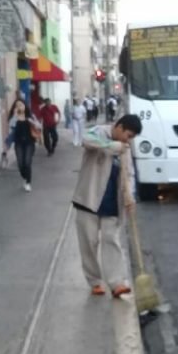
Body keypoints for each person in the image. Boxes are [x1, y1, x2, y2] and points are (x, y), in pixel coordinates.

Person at [71, 115, 142, 297]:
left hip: (112, 202)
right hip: (89, 198)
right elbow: (86, 139)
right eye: (128, 134)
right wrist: (110, 146)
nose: (128, 140)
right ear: (119, 127)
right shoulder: (99, 132)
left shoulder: (125, 149)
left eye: (132, 137)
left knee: (112, 241)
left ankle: (117, 282)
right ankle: (94, 281)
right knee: (89, 243)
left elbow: (130, 174)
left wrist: (130, 195)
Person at [12, 99, 42, 192]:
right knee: (20, 164)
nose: (19, 107)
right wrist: (15, 116)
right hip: (18, 144)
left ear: (25, 106)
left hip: (29, 143)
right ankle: (25, 177)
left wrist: (32, 122)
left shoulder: (30, 116)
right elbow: (10, 126)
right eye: (17, 105)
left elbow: (39, 126)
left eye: (21, 105)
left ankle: (28, 182)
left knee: (27, 162)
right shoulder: (14, 117)